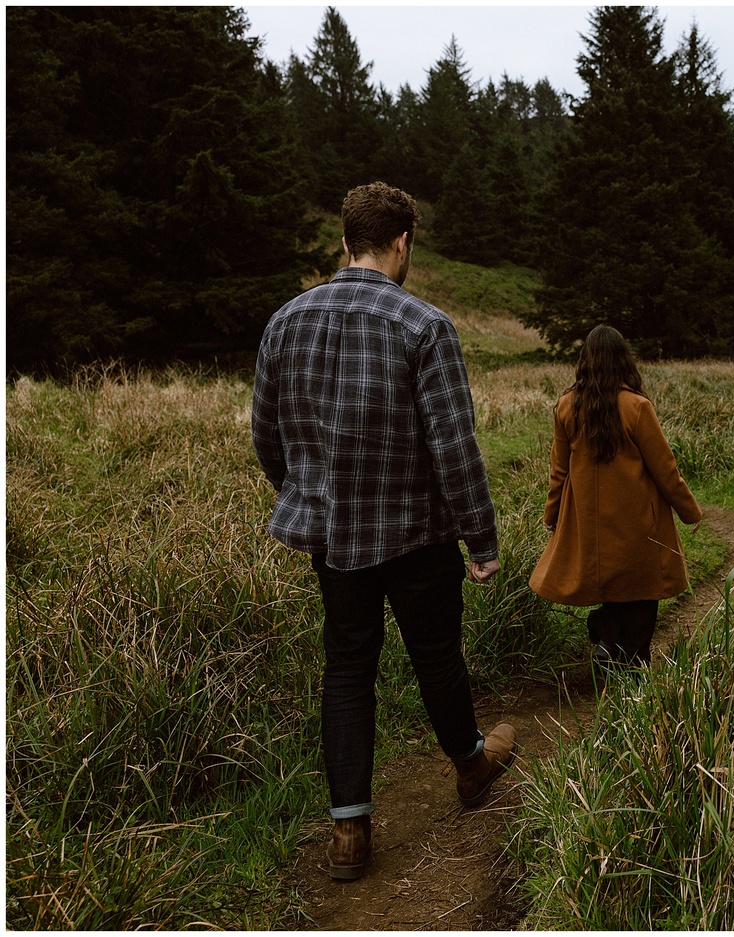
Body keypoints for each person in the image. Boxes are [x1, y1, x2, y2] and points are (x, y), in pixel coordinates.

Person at [251, 182, 516, 882]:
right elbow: (454, 448)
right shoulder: (424, 325)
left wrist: (306, 491)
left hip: (334, 538)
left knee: (346, 668)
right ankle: (469, 765)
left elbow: (266, 434)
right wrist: (481, 542)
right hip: (418, 535)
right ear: (402, 243)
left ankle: (349, 831)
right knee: (436, 653)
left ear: (346, 240)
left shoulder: (285, 321)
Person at [529, 325, 703, 667]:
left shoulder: (567, 406)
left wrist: (551, 516)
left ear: (585, 361)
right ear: (624, 360)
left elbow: (558, 473)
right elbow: (665, 469)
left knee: (611, 586)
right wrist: (690, 511)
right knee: (642, 594)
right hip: (638, 523)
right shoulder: (636, 407)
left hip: (589, 524)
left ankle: (607, 639)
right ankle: (630, 664)